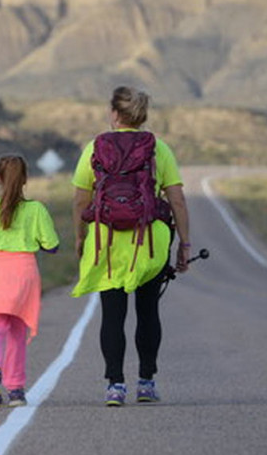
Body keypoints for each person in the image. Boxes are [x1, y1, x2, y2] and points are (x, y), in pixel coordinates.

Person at [71, 86, 190, 406]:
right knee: (148, 310)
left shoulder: (95, 146)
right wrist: (184, 244)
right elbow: (176, 198)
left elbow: (82, 197)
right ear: (142, 116)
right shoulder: (158, 149)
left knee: (112, 314)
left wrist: (81, 236)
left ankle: (115, 385)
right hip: (149, 240)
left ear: (114, 114)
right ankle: (147, 382)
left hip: (106, 240)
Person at [0, 154, 60, 408]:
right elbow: (52, 246)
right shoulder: (36, 209)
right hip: (25, 273)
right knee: (18, 333)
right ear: (25, 179)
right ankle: (16, 390)